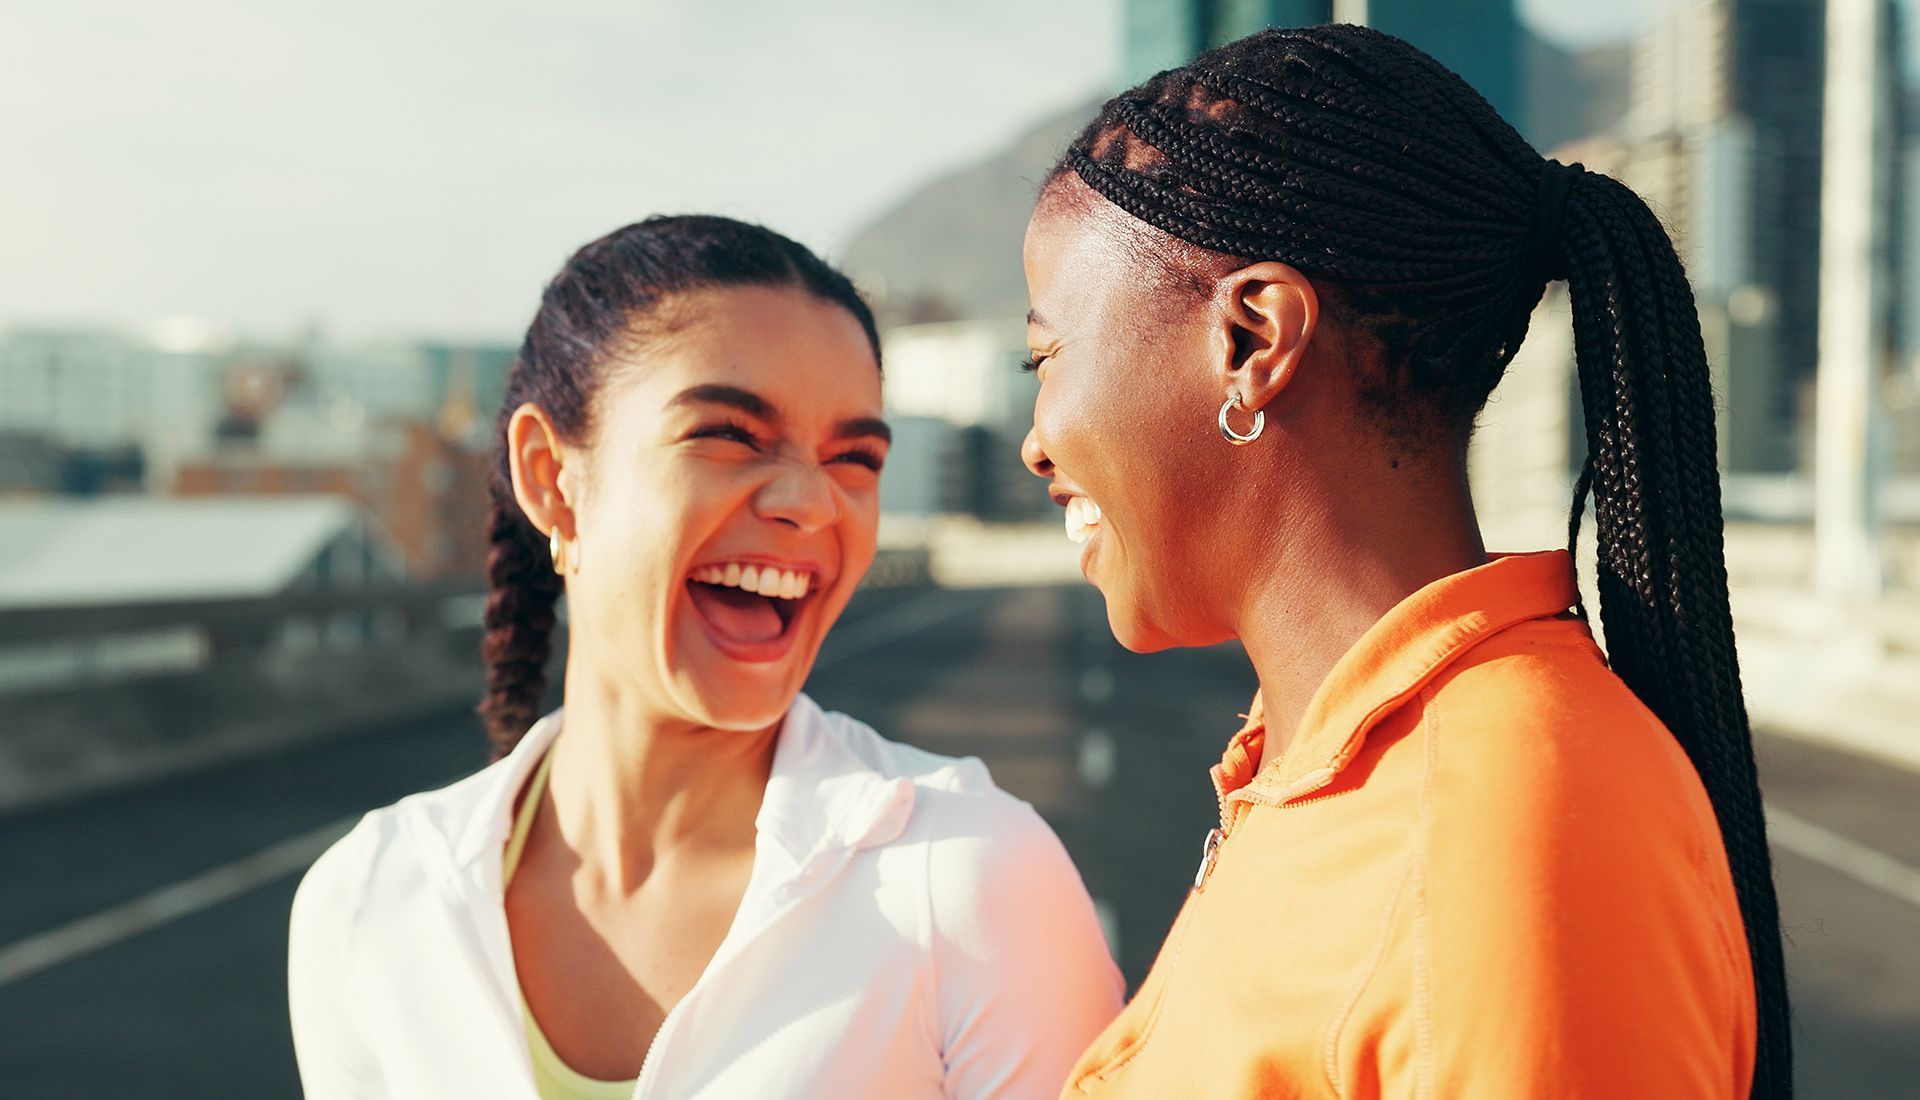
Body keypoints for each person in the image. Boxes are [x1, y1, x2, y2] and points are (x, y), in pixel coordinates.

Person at [1019, 25, 1784, 1099]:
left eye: (1045, 357)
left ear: (1251, 341)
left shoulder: (1495, 819)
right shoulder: (1345, 768)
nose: (1035, 438)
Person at [289, 215, 1122, 1099]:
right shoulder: (369, 902)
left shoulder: (973, 879)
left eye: (855, 458)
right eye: (727, 434)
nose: (811, 501)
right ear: (550, 478)